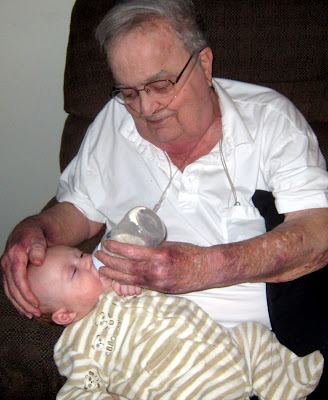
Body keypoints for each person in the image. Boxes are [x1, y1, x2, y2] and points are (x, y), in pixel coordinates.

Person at [1, 0, 328, 331]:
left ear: (203, 64)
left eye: (161, 86)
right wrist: (37, 230)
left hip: (254, 340)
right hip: (138, 339)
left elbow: (318, 232)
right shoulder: (115, 120)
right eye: (129, 93)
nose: (146, 107)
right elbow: (81, 210)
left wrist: (204, 267)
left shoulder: (268, 120)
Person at [27, 245, 323, 400]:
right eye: (75, 272)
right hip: (179, 387)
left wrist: (133, 280)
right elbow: (77, 391)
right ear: (65, 315)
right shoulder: (78, 344)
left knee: (253, 335)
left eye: (80, 254)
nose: (89, 261)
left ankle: (285, 384)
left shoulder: (121, 281)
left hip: (221, 348)